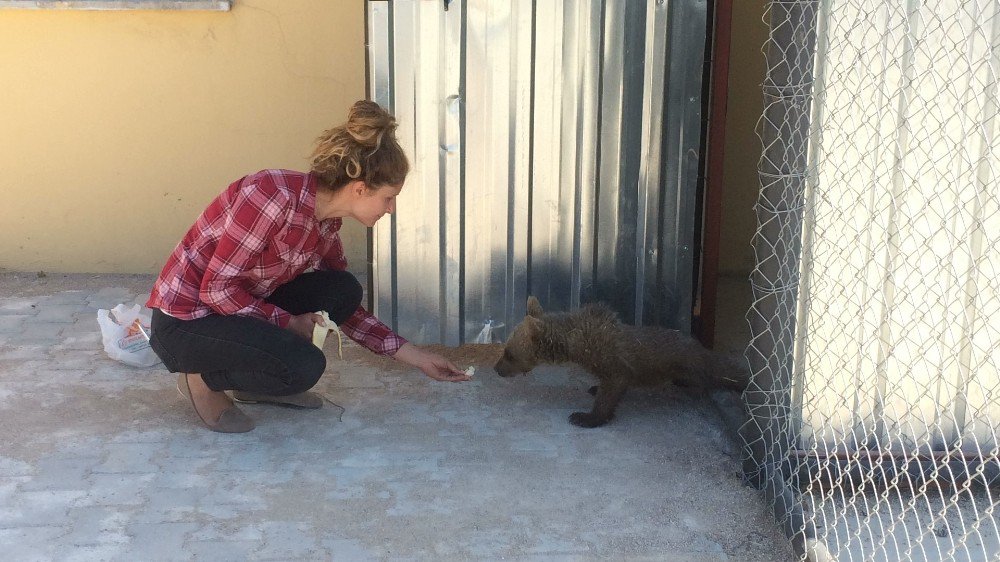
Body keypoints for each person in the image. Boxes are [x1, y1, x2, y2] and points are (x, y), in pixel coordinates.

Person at [146, 100, 470, 433]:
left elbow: (347, 311)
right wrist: (288, 322)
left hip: (233, 311)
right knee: (302, 367)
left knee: (342, 288)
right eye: (388, 198)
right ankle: (202, 377)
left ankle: (251, 384)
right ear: (359, 189)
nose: (390, 209)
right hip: (187, 323)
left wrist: (417, 357)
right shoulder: (270, 196)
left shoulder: (327, 224)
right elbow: (215, 290)